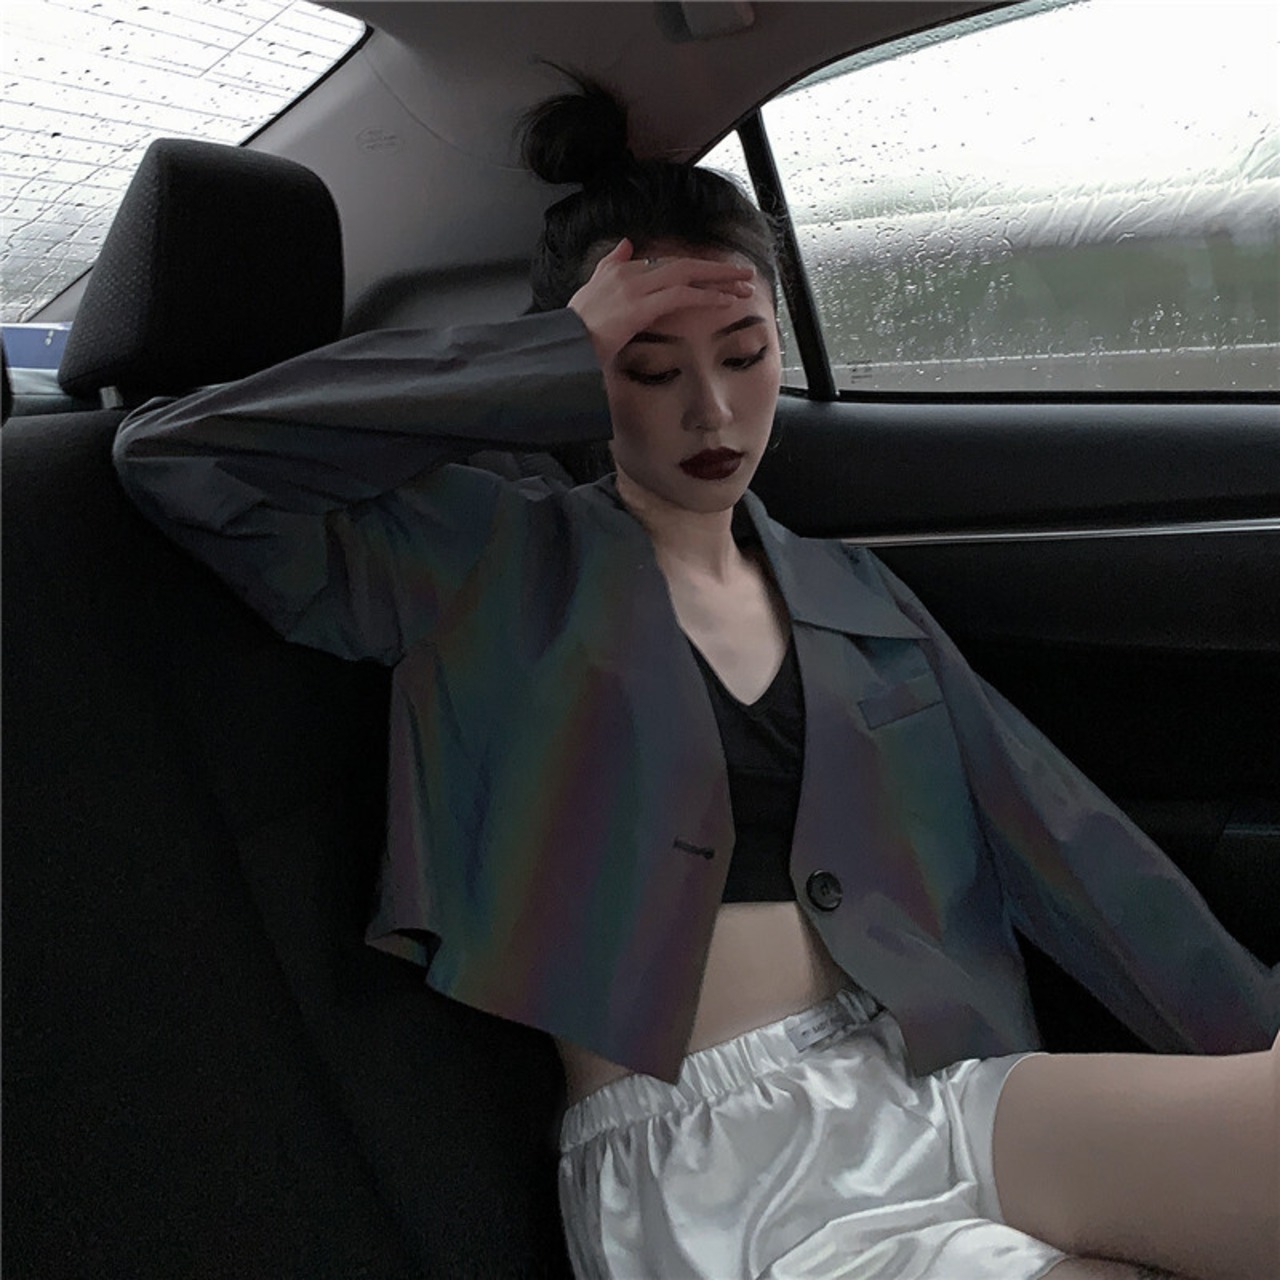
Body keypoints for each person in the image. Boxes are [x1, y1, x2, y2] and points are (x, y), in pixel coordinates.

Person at [113, 77, 1277, 1280]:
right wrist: (550, 347)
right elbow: (183, 466)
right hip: (717, 1162)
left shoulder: (850, 589)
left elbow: (1063, 840)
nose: (711, 410)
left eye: (742, 353)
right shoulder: (488, 560)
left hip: (939, 1079)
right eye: (649, 367)